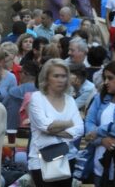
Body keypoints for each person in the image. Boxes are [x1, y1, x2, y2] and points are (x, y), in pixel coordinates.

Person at [28, 58, 84, 187]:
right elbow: (46, 126)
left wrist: (55, 129)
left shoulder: (70, 100)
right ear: (46, 78)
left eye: (64, 76)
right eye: (56, 76)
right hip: (41, 159)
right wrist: (69, 123)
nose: (61, 80)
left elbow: (80, 129)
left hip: (67, 158)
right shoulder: (37, 98)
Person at [3, 60, 38, 131]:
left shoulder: (12, 92)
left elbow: (2, 109)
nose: (19, 74)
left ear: (25, 74)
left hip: (11, 131)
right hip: (34, 134)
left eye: (20, 72)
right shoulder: (42, 93)